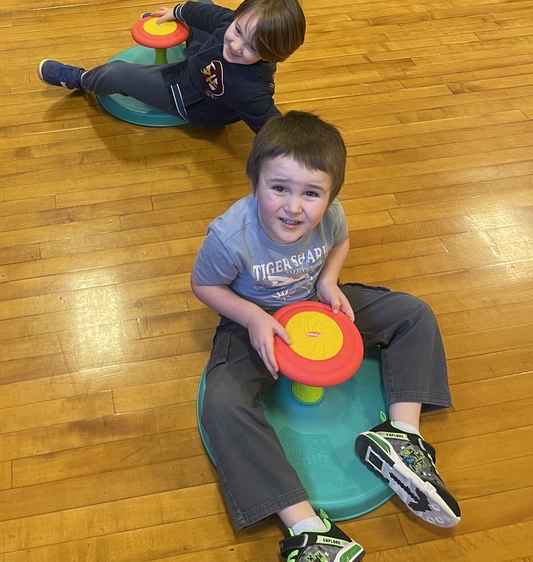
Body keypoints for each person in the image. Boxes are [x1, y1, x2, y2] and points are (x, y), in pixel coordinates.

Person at [192, 111, 460, 562]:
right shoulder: (228, 237)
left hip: (316, 308)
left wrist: (329, 282)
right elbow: (204, 286)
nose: (294, 207)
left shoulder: (331, 216)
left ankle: (401, 438)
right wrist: (253, 318)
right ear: (254, 180)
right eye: (279, 188)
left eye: (311, 194)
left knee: (413, 314)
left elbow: (340, 242)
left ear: (330, 195)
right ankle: (308, 528)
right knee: (221, 402)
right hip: (255, 320)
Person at [37, 0, 306, 133]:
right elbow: (206, 11)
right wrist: (175, 13)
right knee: (201, 5)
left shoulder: (249, 90)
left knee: (117, 73)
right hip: (202, 62)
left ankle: (80, 79)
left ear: (270, 55)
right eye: (238, 30)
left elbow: (273, 129)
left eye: (251, 47)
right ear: (238, 17)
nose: (236, 46)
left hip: (189, 97)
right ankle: (181, 33)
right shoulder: (230, 23)